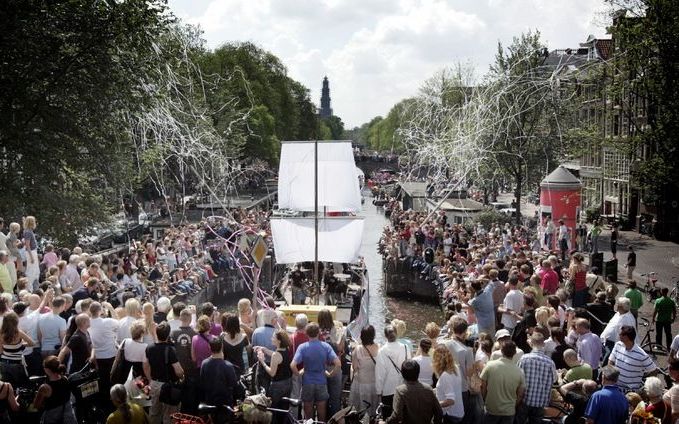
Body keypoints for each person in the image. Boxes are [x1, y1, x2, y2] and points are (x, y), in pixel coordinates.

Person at [290, 323, 340, 423]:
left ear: (306, 334)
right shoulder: (326, 346)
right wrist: (330, 374)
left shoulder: (302, 347)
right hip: (321, 383)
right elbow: (338, 364)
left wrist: (299, 374)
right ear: (318, 333)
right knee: (322, 414)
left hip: (307, 383)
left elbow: (292, 365)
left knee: (308, 415)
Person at [143, 322, 185, 423]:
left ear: (157, 333)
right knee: (169, 415)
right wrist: (182, 377)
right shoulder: (170, 349)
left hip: (155, 384)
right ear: (168, 334)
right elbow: (178, 370)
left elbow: (145, 365)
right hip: (168, 386)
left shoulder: (149, 347)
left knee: (154, 412)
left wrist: (150, 379)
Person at [480, 341, 525, 424]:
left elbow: (483, 386)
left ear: (501, 351)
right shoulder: (520, 371)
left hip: (491, 409)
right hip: (509, 411)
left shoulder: (489, 365)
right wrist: (513, 406)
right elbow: (520, 394)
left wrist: (484, 400)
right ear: (514, 353)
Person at [384, 360, 443, 424]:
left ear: (403, 373)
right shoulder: (428, 389)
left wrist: (386, 422)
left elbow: (397, 415)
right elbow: (439, 412)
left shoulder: (400, 391)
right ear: (418, 372)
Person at [516, 332, 557, 424]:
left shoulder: (524, 359)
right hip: (541, 401)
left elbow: (517, 378)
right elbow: (554, 379)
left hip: (524, 399)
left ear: (531, 343)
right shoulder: (550, 362)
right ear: (543, 343)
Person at [199, 337, 238, 424]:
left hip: (210, 401)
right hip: (225, 403)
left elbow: (202, 383)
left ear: (209, 347)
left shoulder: (204, 363)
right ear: (222, 347)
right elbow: (234, 384)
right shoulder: (228, 366)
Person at [257, 330, 292, 423]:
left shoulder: (276, 355)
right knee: (284, 409)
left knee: (273, 410)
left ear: (279, 341)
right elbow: (276, 355)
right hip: (288, 383)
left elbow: (272, 373)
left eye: (273, 337)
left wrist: (262, 361)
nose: (271, 338)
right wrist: (264, 349)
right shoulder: (286, 349)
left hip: (277, 385)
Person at [608, 325, 656, 392]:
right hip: (616, 388)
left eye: (621, 334)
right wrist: (610, 378)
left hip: (631, 392)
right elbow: (611, 361)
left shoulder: (641, 354)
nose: (619, 335)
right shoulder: (618, 345)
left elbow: (653, 370)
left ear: (626, 337)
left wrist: (646, 387)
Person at [375, 325, 409, 419]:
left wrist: (379, 390)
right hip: (403, 388)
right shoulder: (405, 347)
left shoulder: (382, 351)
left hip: (388, 389)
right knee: (402, 416)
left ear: (385, 336)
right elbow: (409, 366)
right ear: (396, 334)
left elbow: (380, 374)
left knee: (388, 417)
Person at [32, 356, 77, 423]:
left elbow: (36, 405)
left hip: (52, 418)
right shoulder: (65, 378)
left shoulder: (45, 387)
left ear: (47, 370)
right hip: (68, 416)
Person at [349, 325, 379, 417]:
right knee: (373, 407)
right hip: (374, 383)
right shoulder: (378, 347)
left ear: (362, 335)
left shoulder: (357, 349)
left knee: (360, 408)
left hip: (361, 383)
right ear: (373, 335)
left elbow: (355, 368)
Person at [432, 344, 464, 423]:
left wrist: (434, 404)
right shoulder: (455, 367)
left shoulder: (445, 376)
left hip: (450, 415)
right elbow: (450, 387)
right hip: (458, 411)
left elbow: (451, 400)